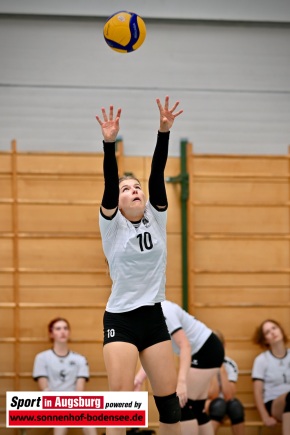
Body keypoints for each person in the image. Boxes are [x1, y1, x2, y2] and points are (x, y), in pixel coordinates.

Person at [96, 96, 183, 435]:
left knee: (170, 408)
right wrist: (109, 143)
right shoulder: (112, 225)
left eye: (136, 187)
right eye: (126, 189)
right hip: (121, 319)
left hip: (152, 316)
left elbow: (157, 172)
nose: (134, 190)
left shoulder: (155, 217)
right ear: (116, 202)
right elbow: (108, 184)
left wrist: (164, 132)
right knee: (120, 406)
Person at [134, 300, 225, 435]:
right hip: (207, 350)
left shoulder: (163, 310)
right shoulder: (150, 315)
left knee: (183, 405)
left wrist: (181, 383)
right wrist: (139, 379)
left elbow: (185, 346)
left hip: (206, 350)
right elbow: (156, 354)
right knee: (196, 408)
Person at [32, 317, 97, 435]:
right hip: (51, 401)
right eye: (58, 328)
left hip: (75, 402)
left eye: (65, 328)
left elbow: (80, 390)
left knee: (89, 419)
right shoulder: (41, 358)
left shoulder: (80, 359)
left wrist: (71, 404)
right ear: (51, 334)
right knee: (61, 418)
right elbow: (44, 388)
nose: (62, 331)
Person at [252, 319, 290, 434]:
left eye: (274, 328)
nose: (272, 332)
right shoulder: (261, 360)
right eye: (267, 332)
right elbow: (257, 392)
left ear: (281, 330)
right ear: (265, 340)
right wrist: (265, 417)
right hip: (274, 403)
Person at [205, 330, 245, 435]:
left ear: (223, 346)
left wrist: (221, 368)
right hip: (204, 403)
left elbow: (229, 396)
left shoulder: (230, 364)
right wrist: (214, 366)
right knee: (219, 404)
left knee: (235, 405)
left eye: (217, 345)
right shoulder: (200, 362)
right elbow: (212, 394)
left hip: (224, 404)